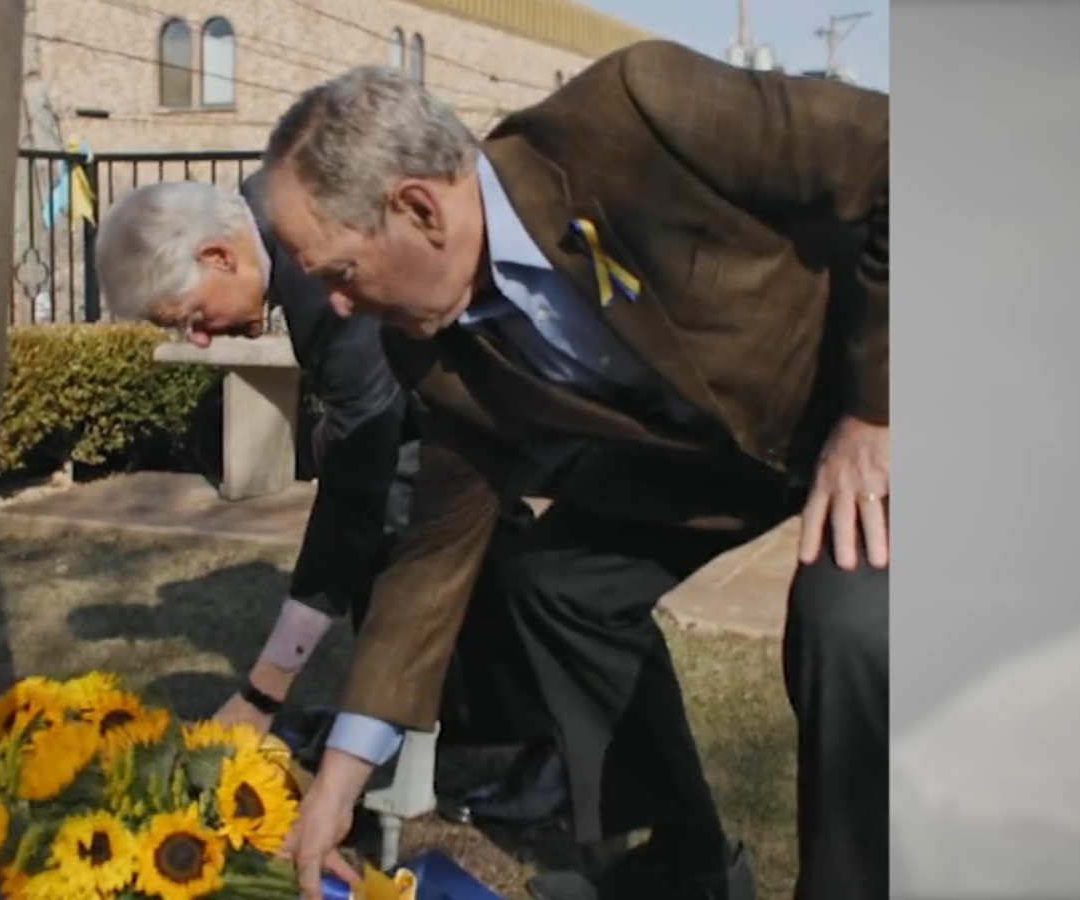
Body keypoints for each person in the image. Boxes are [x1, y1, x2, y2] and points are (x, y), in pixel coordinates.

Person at [255, 43, 888, 900]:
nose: (334, 304)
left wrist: (873, 410)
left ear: (418, 210)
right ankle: (689, 863)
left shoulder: (637, 114)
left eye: (340, 272)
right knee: (556, 582)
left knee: (848, 622)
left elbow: (902, 154)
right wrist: (339, 778)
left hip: (871, 387)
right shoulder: (431, 353)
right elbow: (435, 557)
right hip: (715, 459)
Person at [92, 177, 572, 823]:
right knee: (396, 530)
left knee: (443, 534)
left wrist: (263, 693)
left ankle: (567, 747)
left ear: (218, 256)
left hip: (542, 365)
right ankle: (437, 715)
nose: (199, 339)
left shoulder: (315, 269)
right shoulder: (267, 211)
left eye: (189, 317)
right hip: (449, 394)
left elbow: (355, 493)